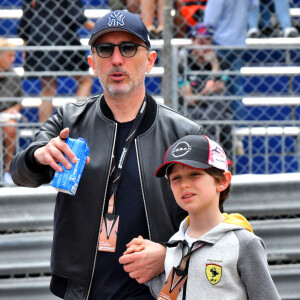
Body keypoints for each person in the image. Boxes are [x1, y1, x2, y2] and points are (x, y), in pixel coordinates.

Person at [10, 10, 202, 300]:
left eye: (128, 48)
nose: (116, 59)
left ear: (150, 60)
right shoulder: (68, 121)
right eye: (104, 49)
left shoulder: (183, 134)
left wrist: (167, 255)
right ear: (92, 63)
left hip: (156, 291)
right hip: (82, 291)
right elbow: (19, 174)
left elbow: (209, 223)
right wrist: (38, 155)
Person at [131, 134, 280, 299]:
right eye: (175, 178)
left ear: (222, 181)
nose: (184, 185)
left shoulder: (244, 243)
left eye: (195, 174)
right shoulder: (174, 246)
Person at [17, 0, 94, 122]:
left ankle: (44, 135)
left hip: (39, 40)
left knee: (47, 89)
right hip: (64, 38)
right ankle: (77, 123)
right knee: (85, 79)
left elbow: (24, 24)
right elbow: (76, 15)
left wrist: (26, 45)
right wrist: (99, 28)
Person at [178, 23, 232, 159]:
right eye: (201, 41)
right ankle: (212, 151)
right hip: (190, 111)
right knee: (214, 112)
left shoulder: (220, 62)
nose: (205, 46)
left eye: (208, 41)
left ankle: (219, 156)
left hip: (214, 109)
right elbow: (189, 100)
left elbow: (220, 90)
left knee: (220, 106)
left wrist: (214, 66)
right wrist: (207, 91)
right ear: (192, 42)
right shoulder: (183, 62)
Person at [0, 38, 24, 184]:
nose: (13, 59)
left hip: (5, 115)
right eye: (9, 55)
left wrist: (14, 108)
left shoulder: (13, 76)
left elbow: (19, 101)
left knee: (10, 127)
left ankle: (8, 171)